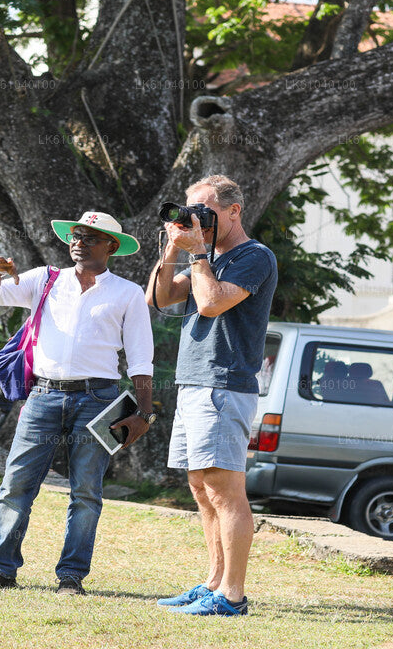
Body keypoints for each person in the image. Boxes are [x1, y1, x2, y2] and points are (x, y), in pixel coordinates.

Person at [0, 210, 155, 596]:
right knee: (16, 484)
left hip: (99, 399)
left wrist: (144, 412)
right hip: (44, 395)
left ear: (111, 247)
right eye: (75, 235)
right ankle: (1, 569)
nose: (78, 241)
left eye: (89, 237)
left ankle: (70, 577)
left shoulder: (127, 292)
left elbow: (140, 358)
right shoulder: (45, 279)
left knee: (86, 491)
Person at [148, 175, 277, 617]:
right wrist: (172, 248)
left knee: (225, 490)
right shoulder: (207, 256)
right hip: (194, 382)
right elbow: (160, 298)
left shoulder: (253, 256)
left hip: (224, 384)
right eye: (190, 212)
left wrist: (198, 252)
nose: (195, 220)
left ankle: (233, 597)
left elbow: (211, 303)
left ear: (233, 211)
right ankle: (213, 582)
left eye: (204, 212)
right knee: (201, 488)